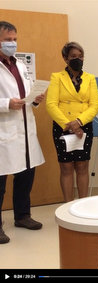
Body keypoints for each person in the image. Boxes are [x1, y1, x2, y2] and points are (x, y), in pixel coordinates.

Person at [0, 21, 45, 244]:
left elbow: (25, 92)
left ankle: (22, 216)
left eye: (15, 39)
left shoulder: (19, 64)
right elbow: (8, 99)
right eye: (8, 40)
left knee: (26, 174)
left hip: (25, 128)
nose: (13, 44)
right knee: (0, 180)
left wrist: (34, 99)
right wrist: (7, 103)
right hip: (4, 130)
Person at [46, 42, 98, 202]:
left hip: (84, 127)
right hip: (63, 127)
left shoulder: (90, 78)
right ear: (65, 58)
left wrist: (79, 121)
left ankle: (83, 204)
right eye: (73, 56)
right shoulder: (57, 77)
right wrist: (69, 125)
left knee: (82, 166)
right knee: (66, 167)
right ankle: (67, 206)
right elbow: (51, 104)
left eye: (80, 56)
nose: (78, 59)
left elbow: (94, 105)